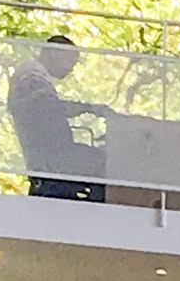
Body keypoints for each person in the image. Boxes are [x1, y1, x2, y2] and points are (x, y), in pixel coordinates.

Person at [7, 33, 106, 202]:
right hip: (53, 158)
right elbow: (46, 107)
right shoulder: (32, 74)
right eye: (70, 61)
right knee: (107, 163)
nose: (71, 68)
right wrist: (87, 108)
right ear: (54, 53)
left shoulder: (34, 74)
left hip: (52, 155)